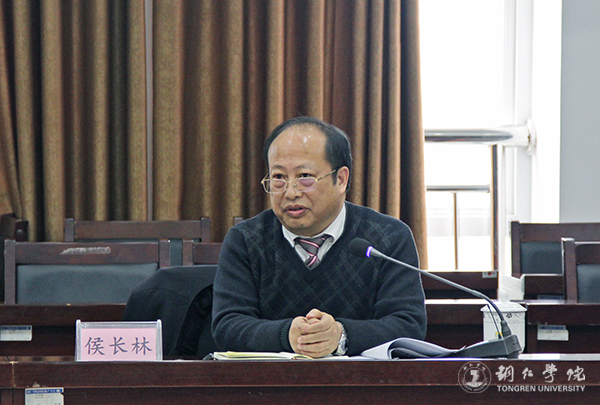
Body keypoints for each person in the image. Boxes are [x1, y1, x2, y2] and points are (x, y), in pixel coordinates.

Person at [212, 116, 426, 357]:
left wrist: (340, 335)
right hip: (270, 380)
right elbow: (227, 326)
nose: (290, 192)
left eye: (305, 176)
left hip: (360, 380)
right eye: (279, 177)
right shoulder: (245, 240)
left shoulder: (389, 237)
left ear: (341, 179)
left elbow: (409, 325)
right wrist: (287, 335)